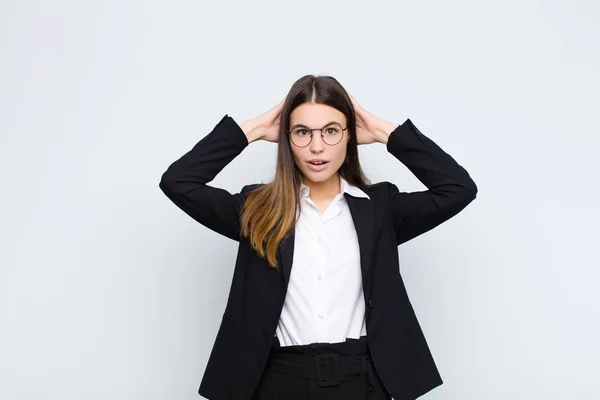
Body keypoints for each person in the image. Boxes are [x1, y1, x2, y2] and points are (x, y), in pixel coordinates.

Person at [159, 74, 478, 400]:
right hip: (278, 380)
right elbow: (178, 182)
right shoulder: (256, 210)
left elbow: (458, 189)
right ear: (287, 138)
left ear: (348, 135)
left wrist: (385, 133)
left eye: (331, 131)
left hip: (364, 380)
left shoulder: (379, 210)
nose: (316, 146)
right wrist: (252, 131)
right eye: (302, 132)